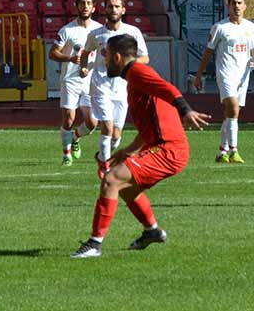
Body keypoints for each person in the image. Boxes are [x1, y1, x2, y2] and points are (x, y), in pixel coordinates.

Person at [71, 34, 210, 258]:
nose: (104, 59)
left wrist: (186, 110)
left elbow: (169, 89)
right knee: (125, 187)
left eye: (106, 54)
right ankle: (152, 231)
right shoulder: (134, 78)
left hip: (169, 150)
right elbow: (150, 126)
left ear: (117, 57)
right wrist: (128, 150)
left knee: (112, 180)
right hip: (160, 146)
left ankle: (94, 244)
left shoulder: (138, 72)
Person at [79, 0, 149, 178]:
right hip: (101, 85)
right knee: (107, 128)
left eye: (117, 6)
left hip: (123, 88)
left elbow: (145, 57)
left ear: (123, 10)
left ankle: (102, 157)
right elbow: (85, 53)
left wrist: (128, 64)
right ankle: (106, 167)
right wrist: (83, 68)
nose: (113, 10)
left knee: (117, 134)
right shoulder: (96, 35)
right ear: (105, 9)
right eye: (110, 6)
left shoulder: (132, 32)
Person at [193, 0, 254, 163]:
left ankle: (222, 151)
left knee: (231, 114)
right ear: (228, 5)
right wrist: (198, 76)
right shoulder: (220, 27)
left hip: (243, 75)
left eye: (240, 3)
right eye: (233, 3)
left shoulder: (250, 27)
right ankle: (234, 150)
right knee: (233, 109)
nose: (236, 6)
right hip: (226, 73)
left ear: (245, 6)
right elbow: (207, 53)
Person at [48, 0, 101, 166]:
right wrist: (69, 58)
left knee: (92, 123)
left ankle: (76, 138)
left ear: (94, 7)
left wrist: (92, 69)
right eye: (82, 3)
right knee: (69, 118)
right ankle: (67, 155)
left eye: (88, 3)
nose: (85, 6)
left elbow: (103, 56)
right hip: (70, 79)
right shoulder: (67, 30)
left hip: (91, 81)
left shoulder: (100, 30)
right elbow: (53, 53)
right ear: (76, 6)